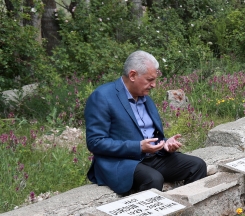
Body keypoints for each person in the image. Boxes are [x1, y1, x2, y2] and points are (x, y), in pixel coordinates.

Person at [84, 50, 207, 195]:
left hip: (152, 157)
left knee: (197, 165)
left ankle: (186, 212)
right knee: (153, 179)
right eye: (149, 80)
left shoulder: (145, 97)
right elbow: (95, 142)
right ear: (132, 75)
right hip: (122, 162)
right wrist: (138, 147)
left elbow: (149, 134)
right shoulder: (102, 97)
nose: (154, 85)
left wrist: (165, 143)